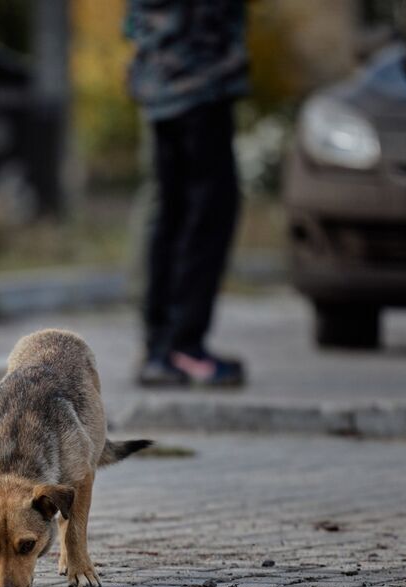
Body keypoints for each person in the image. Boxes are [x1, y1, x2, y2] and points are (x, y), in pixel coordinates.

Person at [126, 0, 249, 388]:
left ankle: (162, 346)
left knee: (172, 211)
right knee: (205, 213)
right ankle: (182, 346)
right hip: (198, 80)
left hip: (161, 79)